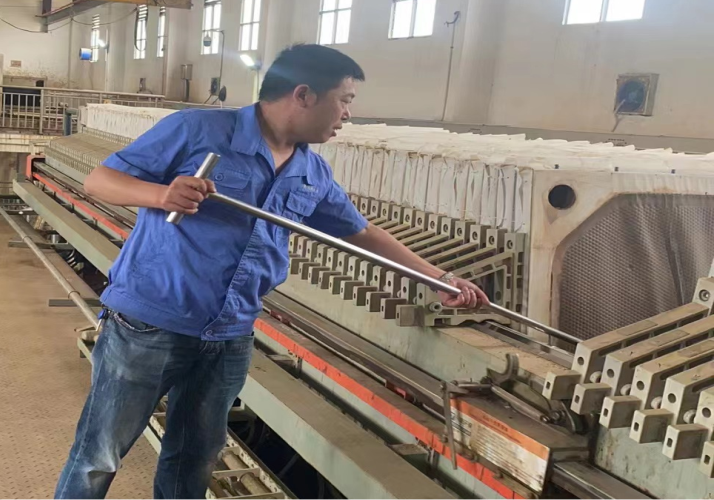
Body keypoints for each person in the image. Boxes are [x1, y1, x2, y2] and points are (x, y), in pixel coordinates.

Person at [54, 43, 489, 500]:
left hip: (230, 334)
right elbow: (99, 180)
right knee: (99, 454)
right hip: (150, 322)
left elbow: (361, 233)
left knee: (194, 459)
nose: (347, 114)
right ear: (303, 95)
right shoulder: (198, 130)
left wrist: (438, 278)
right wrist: (161, 195)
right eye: (344, 100)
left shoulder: (312, 171)